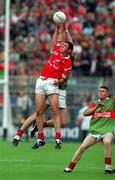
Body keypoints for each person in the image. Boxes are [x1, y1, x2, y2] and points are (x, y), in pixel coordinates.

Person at [12, 22, 73, 150]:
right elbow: (56, 40)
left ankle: (54, 136)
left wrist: (66, 30)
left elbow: (64, 75)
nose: (62, 46)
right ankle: (34, 137)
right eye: (62, 45)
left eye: (65, 45)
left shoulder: (68, 59)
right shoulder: (56, 51)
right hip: (42, 81)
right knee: (38, 111)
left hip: (55, 86)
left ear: (69, 50)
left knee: (59, 117)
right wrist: (58, 28)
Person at [64, 86, 115, 174]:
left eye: (103, 91)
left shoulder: (112, 102)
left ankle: (108, 167)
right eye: (99, 91)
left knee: (107, 142)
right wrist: (96, 107)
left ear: (107, 93)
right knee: (82, 148)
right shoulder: (94, 103)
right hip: (94, 131)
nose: (101, 93)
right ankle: (69, 167)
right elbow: (85, 113)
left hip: (107, 130)